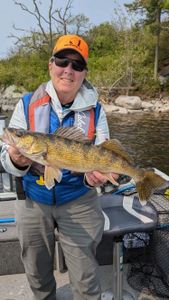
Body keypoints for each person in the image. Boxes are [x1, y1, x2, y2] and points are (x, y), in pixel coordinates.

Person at [1, 34, 118, 300]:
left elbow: (102, 158)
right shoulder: (27, 103)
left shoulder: (97, 111)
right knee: (37, 274)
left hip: (79, 199)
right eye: (62, 61)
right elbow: (6, 160)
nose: (68, 70)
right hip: (32, 198)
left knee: (87, 279)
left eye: (77, 65)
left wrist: (94, 178)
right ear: (50, 64)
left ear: (84, 73)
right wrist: (17, 160)